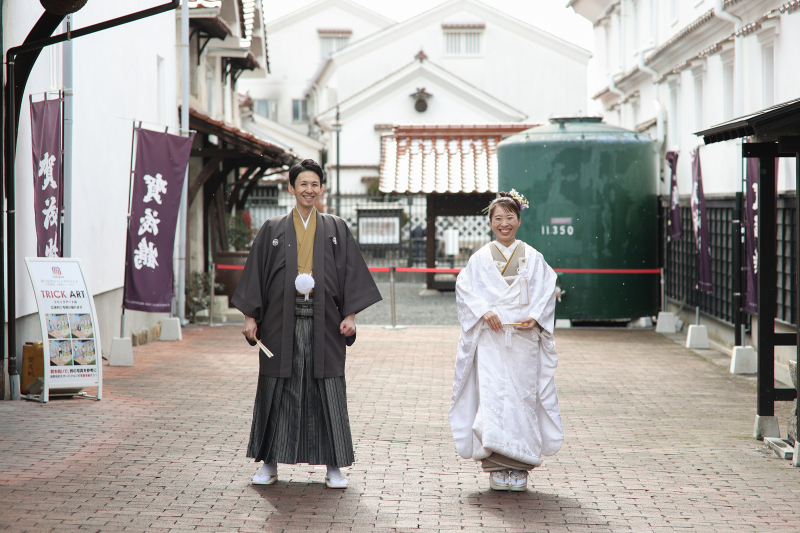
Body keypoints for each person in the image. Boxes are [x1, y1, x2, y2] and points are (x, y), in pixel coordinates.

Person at [232, 159, 382, 489]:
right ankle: (269, 464)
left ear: (322, 188)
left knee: (327, 390)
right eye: (303, 184)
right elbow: (255, 273)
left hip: (325, 323)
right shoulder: (272, 228)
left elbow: (352, 273)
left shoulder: (336, 228)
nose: (309, 190)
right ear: (291, 188)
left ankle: (334, 467)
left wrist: (350, 316)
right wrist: (249, 317)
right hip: (279, 322)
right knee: (276, 389)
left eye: (315, 184)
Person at [449, 191, 563, 491]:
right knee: (493, 397)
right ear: (490, 222)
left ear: (519, 220)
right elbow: (464, 289)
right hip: (491, 340)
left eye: (509, 217)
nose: (504, 223)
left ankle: (521, 466)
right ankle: (496, 466)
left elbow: (547, 288)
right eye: (498, 218)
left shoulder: (533, 257)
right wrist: (484, 311)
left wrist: (536, 317)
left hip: (523, 339)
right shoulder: (480, 258)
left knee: (522, 398)